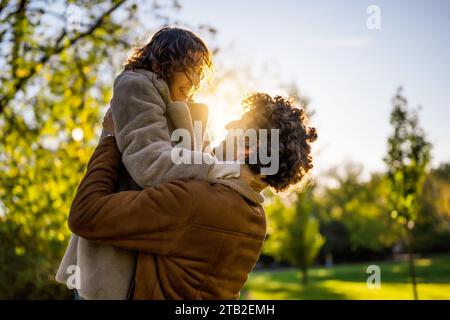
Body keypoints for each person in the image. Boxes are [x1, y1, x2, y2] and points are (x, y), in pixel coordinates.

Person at [68, 93, 317, 299]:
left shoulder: (196, 202)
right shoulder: (255, 217)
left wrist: (111, 140)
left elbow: (85, 214)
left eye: (239, 125)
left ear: (250, 147)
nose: (228, 126)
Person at [56, 27, 239, 299]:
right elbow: (151, 164)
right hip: (114, 247)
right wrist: (220, 170)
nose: (195, 78)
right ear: (161, 62)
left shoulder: (185, 107)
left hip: (149, 244)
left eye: (199, 71)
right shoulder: (136, 85)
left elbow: (199, 163)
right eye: (188, 67)